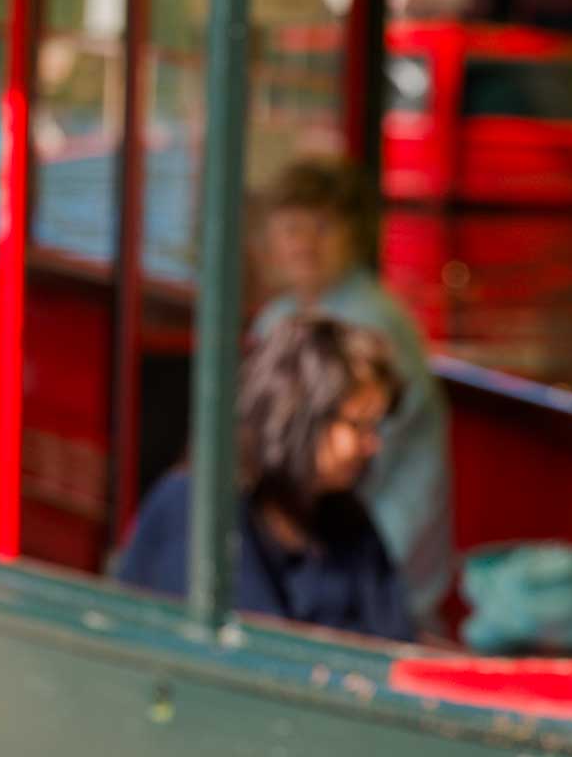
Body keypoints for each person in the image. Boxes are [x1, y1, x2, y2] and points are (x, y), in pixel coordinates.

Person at [118, 317, 415, 641]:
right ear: (299, 418)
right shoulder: (195, 508)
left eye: (375, 426)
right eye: (358, 426)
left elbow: (394, 640)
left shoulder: (349, 523)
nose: (373, 444)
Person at [252, 157, 454, 630]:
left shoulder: (373, 323)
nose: (306, 244)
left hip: (387, 541)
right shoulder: (276, 318)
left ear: (354, 235)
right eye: (292, 229)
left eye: (323, 227)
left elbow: (354, 462)